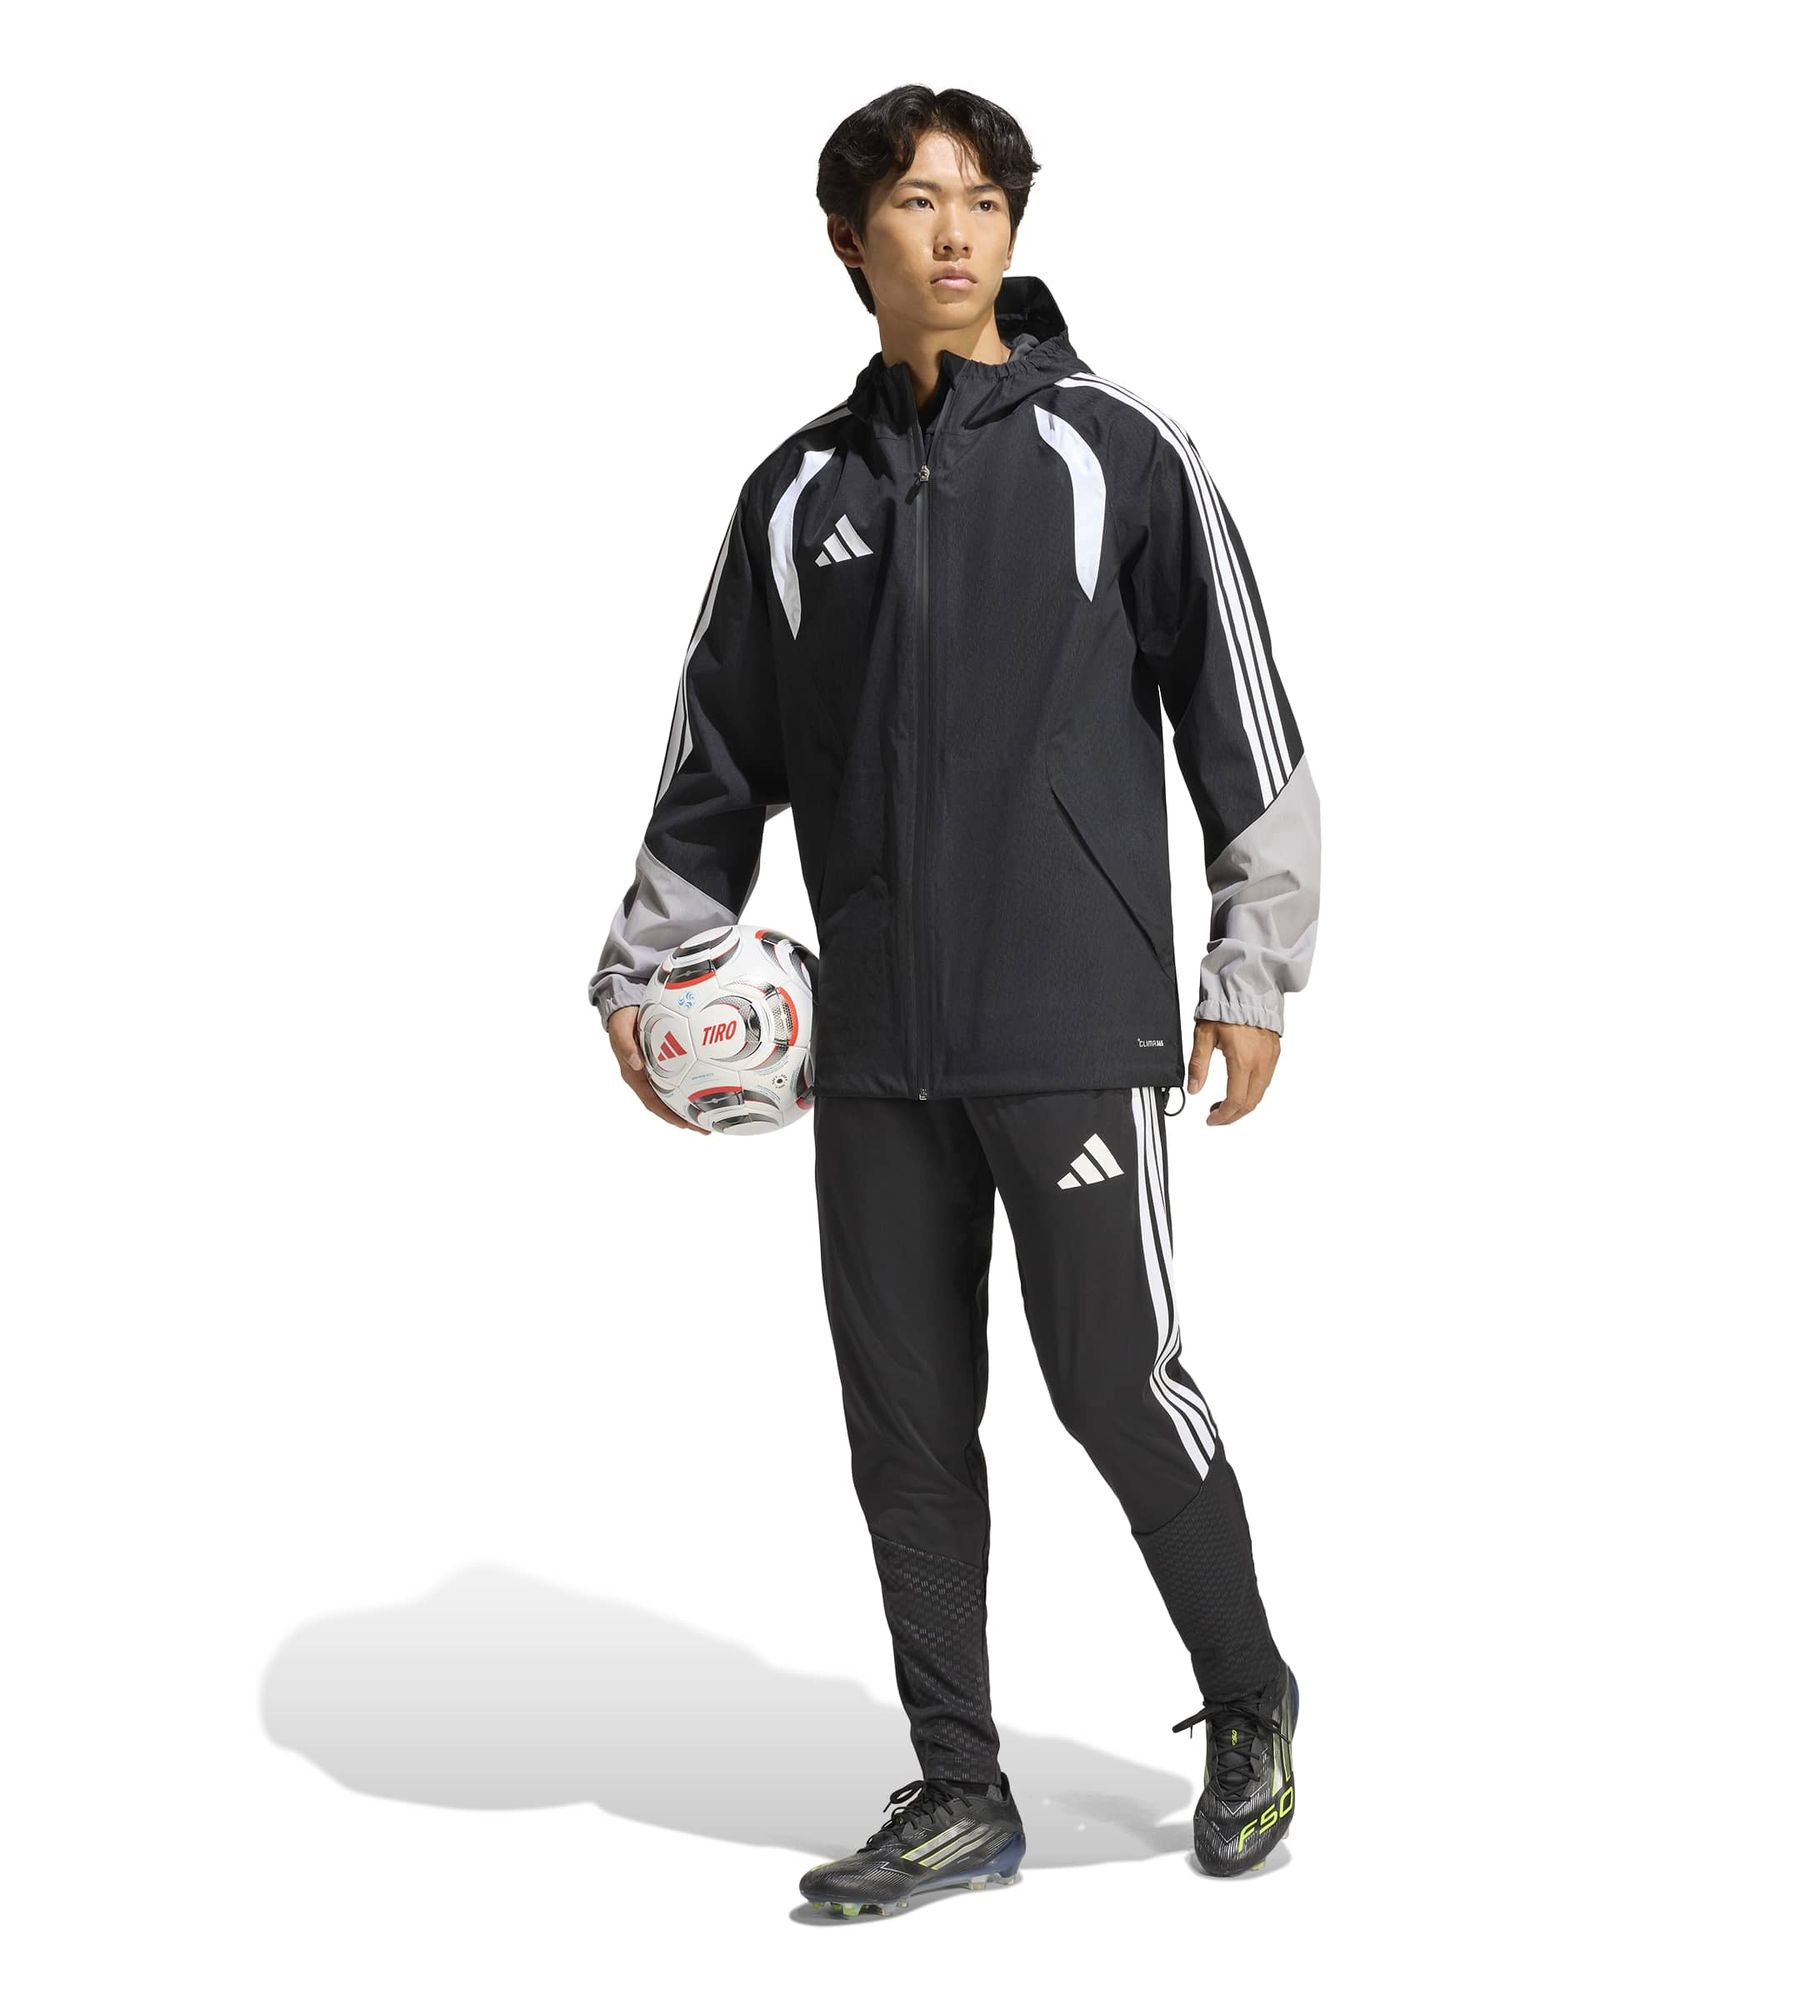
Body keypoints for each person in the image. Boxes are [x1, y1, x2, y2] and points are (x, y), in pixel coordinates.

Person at [588, 83, 1320, 1913]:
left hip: (1070, 1022)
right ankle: (959, 1789)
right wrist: (644, 967)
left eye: (983, 199)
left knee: (1117, 1385)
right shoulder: (796, 497)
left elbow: (1245, 724)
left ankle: (1249, 1696)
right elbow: (717, 760)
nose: (955, 232)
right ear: (851, 242)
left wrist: (1252, 965)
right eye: (917, 204)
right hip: (874, 1051)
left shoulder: (1117, 453)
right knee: (905, 1430)